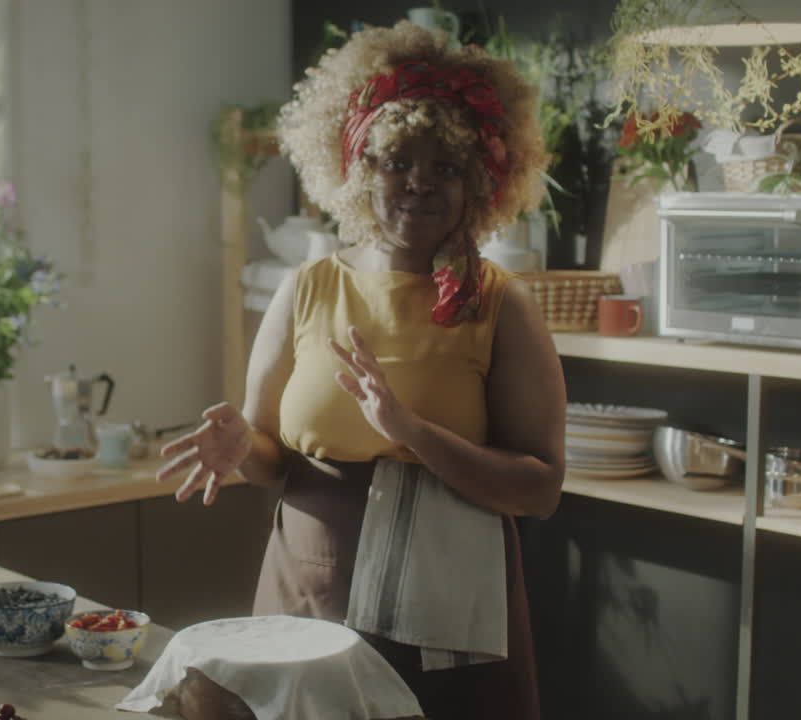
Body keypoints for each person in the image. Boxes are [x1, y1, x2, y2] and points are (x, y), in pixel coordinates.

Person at [157, 20, 565, 720]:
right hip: (306, 595)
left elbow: (540, 488)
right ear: (358, 167)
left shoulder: (502, 303)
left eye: (445, 166)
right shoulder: (308, 287)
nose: (418, 184)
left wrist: (412, 434)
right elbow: (272, 460)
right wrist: (240, 448)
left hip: (449, 616)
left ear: (479, 180)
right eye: (396, 160)